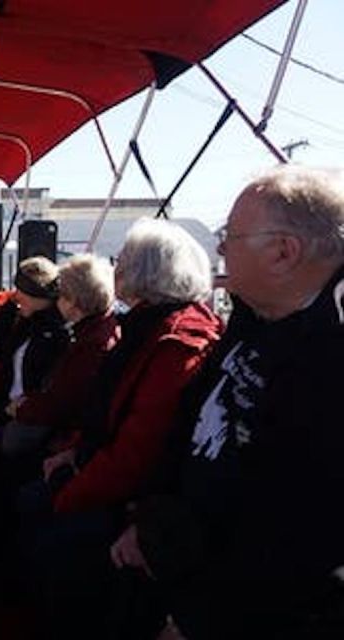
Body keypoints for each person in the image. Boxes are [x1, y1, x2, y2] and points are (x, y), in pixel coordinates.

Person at [110, 166, 344, 639]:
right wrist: (146, 520)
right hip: (183, 548)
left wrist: (202, 617)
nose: (220, 249)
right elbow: (187, 424)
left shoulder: (331, 357)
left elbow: (301, 529)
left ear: (283, 251)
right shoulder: (255, 320)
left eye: (230, 236)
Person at [21, 219, 222, 638]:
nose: (116, 269)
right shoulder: (143, 331)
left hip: (135, 503)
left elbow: (138, 452)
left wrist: (69, 491)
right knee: (27, 500)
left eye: (122, 261)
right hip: (106, 478)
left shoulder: (176, 345)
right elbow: (104, 416)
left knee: (47, 529)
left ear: (142, 273)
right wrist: (72, 455)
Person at [2, 253, 119, 459]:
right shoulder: (95, 331)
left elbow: (61, 404)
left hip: (64, 432)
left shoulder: (91, 346)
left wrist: (19, 410)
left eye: (62, 296)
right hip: (53, 416)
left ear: (73, 303)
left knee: (7, 441)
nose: (56, 302)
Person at [0, 255, 69, 455]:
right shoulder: (29, 322)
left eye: (21, 292)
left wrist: (2, 414)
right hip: (5, 404)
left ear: (37, 295)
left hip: (23, 414)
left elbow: (42, 389)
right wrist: (8, 311)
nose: (15, 297)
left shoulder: (57, 334)